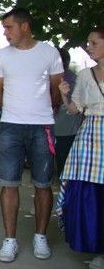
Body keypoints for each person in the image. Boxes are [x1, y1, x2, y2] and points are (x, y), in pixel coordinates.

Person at [0, 7, 63, 263]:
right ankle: (9, 240)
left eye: (9, 27)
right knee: (8, 183)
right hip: (10, 126)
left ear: (25, 26)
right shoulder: (2, 56)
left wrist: (42, 111)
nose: (5, 33)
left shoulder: (49, 53)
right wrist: (13, 111)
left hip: (42, 126)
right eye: (4, 28)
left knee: (43, 184)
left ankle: (40, 236)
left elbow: (56, 90)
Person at [56, 27, 104, 267]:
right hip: (91, 135)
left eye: (94, 43)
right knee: (90, 193)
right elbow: (75, 110)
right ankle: (99, 249)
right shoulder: (85, 75)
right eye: (88, 43)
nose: (88, 47)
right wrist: (64, 95)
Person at [53, 48, 81, 178]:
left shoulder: (75, 80)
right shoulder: (46, 79)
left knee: (64, 165)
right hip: (49, 129)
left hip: (67, 132)